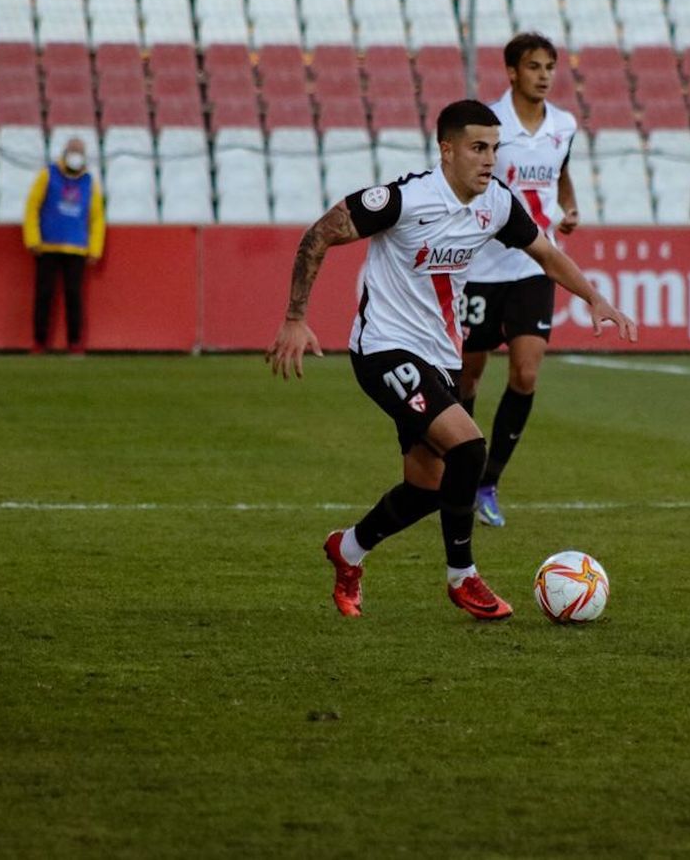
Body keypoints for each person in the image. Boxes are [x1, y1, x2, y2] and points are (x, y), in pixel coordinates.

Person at [268, 100, 637, 621]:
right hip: (383, 348)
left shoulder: (497, 204)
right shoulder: (404, 199)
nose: (489, 159)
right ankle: (463, 577)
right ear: (447, 150)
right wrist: (295, 317)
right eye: (477, 148)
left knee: (427, 487)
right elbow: (321, 232)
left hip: (440, 355)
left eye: (494, 148)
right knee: (468, 449)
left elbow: (546, 254)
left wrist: (594, 297)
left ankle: (347, 549)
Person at [457, 32, 582, 527]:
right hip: (481, 268)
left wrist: (568, 206)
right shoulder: (489, 123)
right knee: (467, 375)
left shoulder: (564, 125)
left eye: (549, 67)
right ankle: (461, 470)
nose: (544, 75)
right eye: (534, 66)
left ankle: (488, 482)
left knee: (526, 374)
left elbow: (561, 171)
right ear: (512, 72)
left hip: (534, 265)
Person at [22, 137, 104, 354]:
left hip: (77, 248)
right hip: (47, 246)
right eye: (73, 150)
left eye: (80, 151)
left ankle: (75, 342)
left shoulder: (89, 182)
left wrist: (95, 249)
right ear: (65, 153)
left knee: (74, 296)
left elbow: (97, 217)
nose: (76, 156)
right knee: (44, 294)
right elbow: (32, 206)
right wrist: (32, 239)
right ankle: (39, 341)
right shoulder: (48, 175)